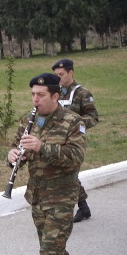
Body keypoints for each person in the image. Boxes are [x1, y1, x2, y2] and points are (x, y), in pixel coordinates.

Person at [7, 73, 86, 255]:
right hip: (38, 195)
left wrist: (42, 147)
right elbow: (17, 148)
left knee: (50, 250)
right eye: (32, 94)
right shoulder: (29, 119)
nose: (35, 99)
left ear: (55, 95)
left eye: (40, 95)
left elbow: (76, 156)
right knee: (51, 247)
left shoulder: (73, 121)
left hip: (62, 197)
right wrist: (13, 156)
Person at [52, 59, 99, 223]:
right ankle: (83, 207)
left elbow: (93, 118)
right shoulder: (54, 93)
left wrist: (75, 123)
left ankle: (79, 207)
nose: (58, 78)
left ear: (70, 73)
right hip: (56, 141)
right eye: (56, 75)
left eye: (61, 74)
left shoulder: (82, 94)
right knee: (65, 175)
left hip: (74, 142)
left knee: (70, 174)